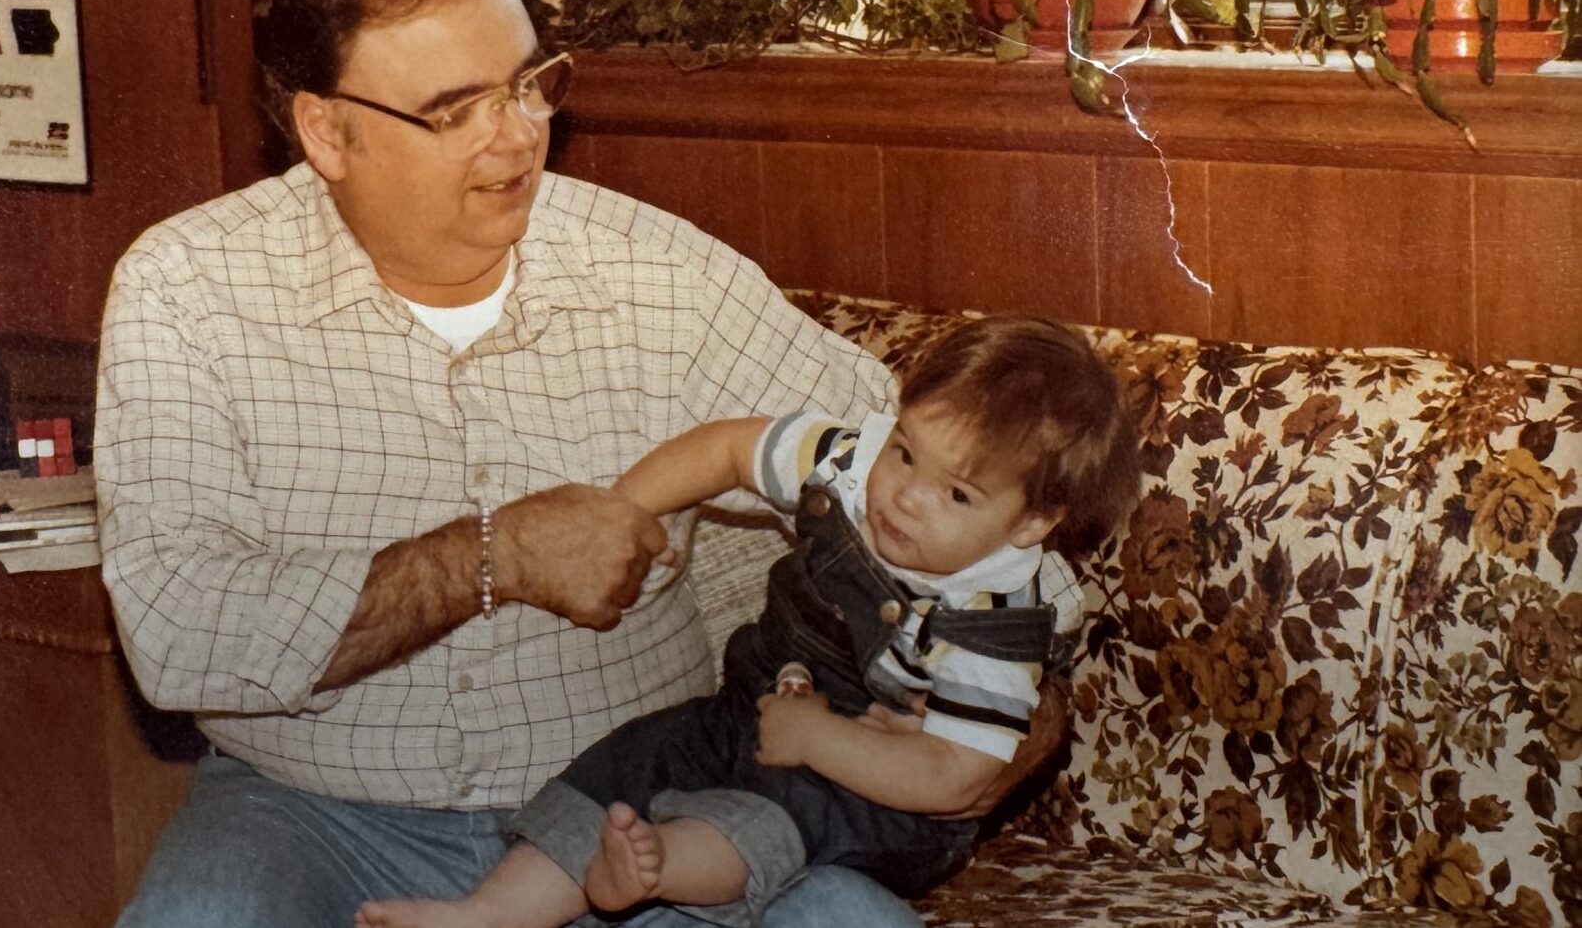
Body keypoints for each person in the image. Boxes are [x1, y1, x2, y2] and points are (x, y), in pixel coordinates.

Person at [95, 0, 1063, 928]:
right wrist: (491, 557)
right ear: (326, 132)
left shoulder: (662, 276)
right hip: (314, 815)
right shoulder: (187, 290)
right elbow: (178, 633)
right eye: (455, 108)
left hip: (645, 811)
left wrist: (1021, 722)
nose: (518, 137)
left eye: (528, 85)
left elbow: (954, 483)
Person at [359, 315, 1141, 928]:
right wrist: (624, 513)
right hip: (756, 705)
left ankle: (655, 868)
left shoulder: (994, 618)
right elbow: (733, 449)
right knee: (638, 752)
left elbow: (956, 777)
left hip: (880, 787)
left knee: (782, 808)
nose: (902, 495)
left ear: (1032, 524)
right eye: (907, 453)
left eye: (957, 495)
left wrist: (819, 739)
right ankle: (488, 913)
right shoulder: (853, 465)